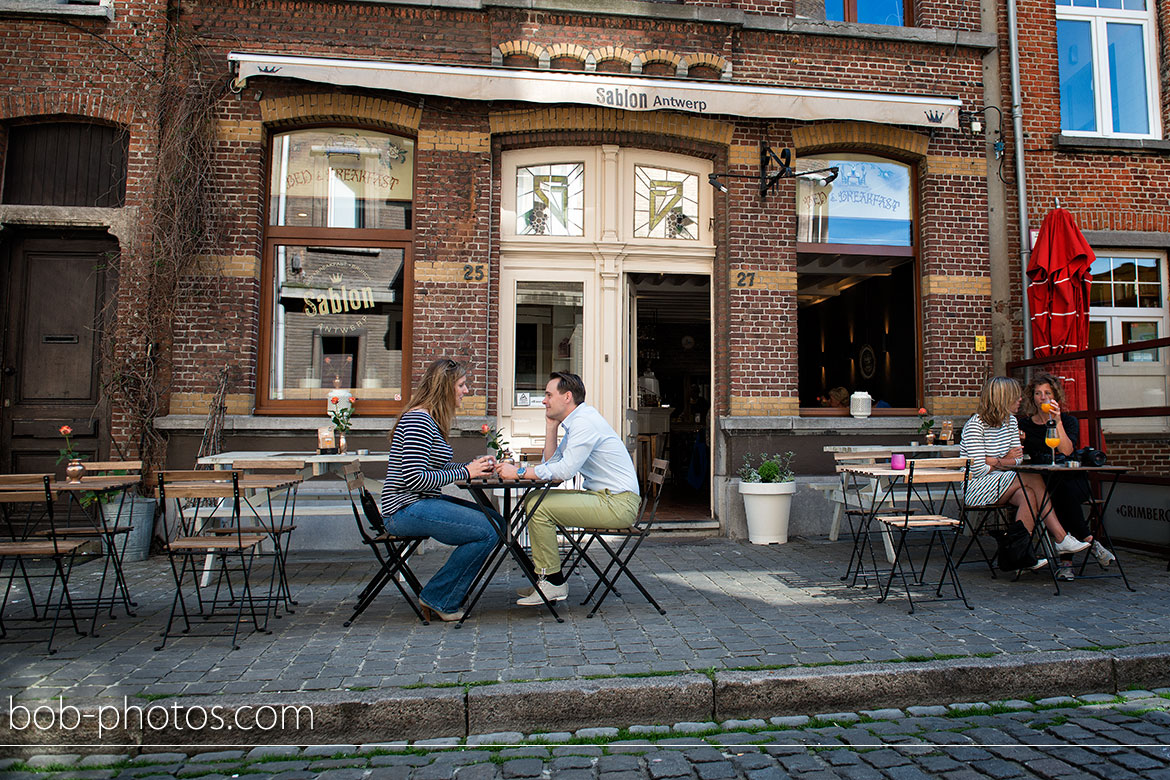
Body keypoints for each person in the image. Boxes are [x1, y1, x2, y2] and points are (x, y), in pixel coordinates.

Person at [495, 372, 641, 606]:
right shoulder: (577, 422)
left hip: (618, 504)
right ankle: (548, 579)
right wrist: (551, 426)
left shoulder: (584, 422)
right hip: (604, 498)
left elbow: (563, 472)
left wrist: (519, 472)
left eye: (548, 394)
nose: (544, 400)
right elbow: (551, 466)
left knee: (537, 504)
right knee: (534, 499)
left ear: (567, 397)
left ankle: (551, 581)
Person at [380, 358, 499, 622]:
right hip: (404, 510)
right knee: (487, 531)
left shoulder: (430, 420)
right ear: (445, 387)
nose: (466, 391)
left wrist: (471, 466)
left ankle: (445, 592)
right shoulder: (418, 420)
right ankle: (439, 596)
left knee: (498, 523)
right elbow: (415, 478)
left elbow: (438, 467)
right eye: (461, 385)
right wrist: (466, 473)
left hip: (419, 504)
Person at [960, 376, 1090, 572]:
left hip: (1002, 481)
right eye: (1016, 396)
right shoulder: (975, 425)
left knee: (1028, 495)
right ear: (1003, 398)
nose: (1020, 400)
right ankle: (1061, 537)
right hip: (977, 487)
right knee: (1033, 477)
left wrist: (993, 460)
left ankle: (1020, 556)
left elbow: (1018, 460)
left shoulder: (1011, 422)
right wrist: (1004, 460)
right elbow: (978, 469)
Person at [1018, 372, 1115, 580]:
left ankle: (1067, 563)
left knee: (1061, 491)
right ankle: (1089, 541)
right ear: (1032, 397)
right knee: (1056, 492)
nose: (1042, 397)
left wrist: (1057, 421)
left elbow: (1068, 450)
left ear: (1055, 396)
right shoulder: (1025, 426)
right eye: (1037, 393)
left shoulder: (1069, 421)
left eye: (1047, 393)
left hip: (1071, 481)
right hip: (1043, 483)